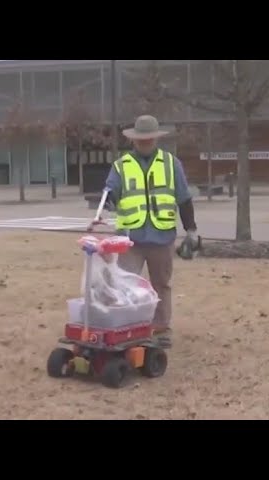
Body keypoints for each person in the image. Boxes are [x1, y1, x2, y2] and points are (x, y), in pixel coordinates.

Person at [100, 115, 198, 339]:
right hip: (130, 240)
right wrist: (107, 201)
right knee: (123, 284)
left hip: (161, 238)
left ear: (155, 139)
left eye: (149, 139)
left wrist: (191, 230)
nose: (145, 143)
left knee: (161, 285)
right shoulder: (121, 166)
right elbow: (110, 192)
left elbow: (184, 199)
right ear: (133, 140)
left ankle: (161, 328)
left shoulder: (172, 164)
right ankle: (125, 328)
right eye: (140, 139)